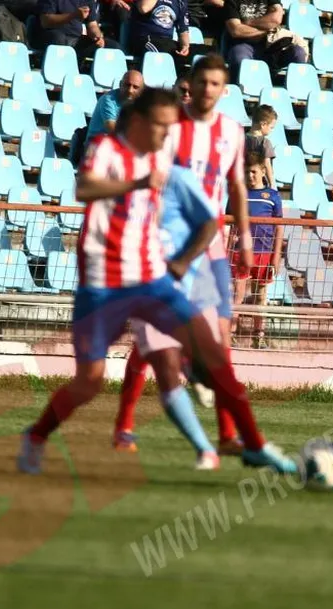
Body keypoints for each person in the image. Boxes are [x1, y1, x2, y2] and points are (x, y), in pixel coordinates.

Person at [16, 87, 299, 477]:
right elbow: (85, 188)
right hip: (103, 283)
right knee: (90, 382)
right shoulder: (109, 151)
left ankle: (253, 444)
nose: (169, 135)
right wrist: (137, 184)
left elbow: (208, 221)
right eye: (162, 126)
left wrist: (182, 260)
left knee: (214, 355)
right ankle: (36, 436)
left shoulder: (168, 166)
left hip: (152, 280)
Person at [161, 53, 252, 454]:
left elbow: (237, 185)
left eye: (216, 84)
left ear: (223, 89)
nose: (208, 89)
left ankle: (227, 434)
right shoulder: (170, 126)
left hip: (212, 238)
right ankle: (189, 367)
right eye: (202, 82)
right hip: (174, 238)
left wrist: (245, 236)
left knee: (223, 333)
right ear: (192, 83)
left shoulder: (232, 130)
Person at [114, 157, 227, 470]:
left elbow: (208, 226)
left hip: (190, 273)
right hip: (154, 276)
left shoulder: (189, 182)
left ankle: (193, 371)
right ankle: (126, 426)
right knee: (147, 352)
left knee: (155, 350)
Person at [231, 152, 282, 348]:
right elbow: (231, 225)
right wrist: (229, 247)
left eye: (253, 171)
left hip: (264, 253)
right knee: (238, 295)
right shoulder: (239, 193)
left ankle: (258, 336)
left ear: (262, 171)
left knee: (260, 296)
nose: (250, 176)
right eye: (246, 172)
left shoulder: (273, 196)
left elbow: (279, 227)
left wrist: (276, 256)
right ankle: (231, 333)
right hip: (241, 253)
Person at [223, 0, 306, 72]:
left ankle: (296, 85)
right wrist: (266, 28)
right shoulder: (232, 1)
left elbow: (276, 19)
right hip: (245, 44)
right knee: (238, 56)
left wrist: (248, 22)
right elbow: (236, 30)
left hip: (272, 44)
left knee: (298, 53)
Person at [34, 0, 122, 62]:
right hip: (50, 36)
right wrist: (73, 15)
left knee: (113, 46)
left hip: (76, 40)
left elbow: (92, 25)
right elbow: (45, 21)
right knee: (58, 38)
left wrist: (98, 37)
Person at [127, 0, 196, 73]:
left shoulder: (180, 2)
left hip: (166, 43)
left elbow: (183, 31)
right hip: (145, 39)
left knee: (199, 54)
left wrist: (185, 46)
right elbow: (144, 8)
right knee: (163, 53)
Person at [87, 69, 144, 141]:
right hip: (98, 145)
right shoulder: (108, 100)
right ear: (120, 84)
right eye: (127, 85)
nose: (130, 90)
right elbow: (113, 130)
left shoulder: (143, 104)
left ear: (142, 90)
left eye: (135, 87)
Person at [244, 104, 277, 188]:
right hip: (258, 185)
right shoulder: (265, 143)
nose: (271, 130)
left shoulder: (240, 139)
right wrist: (272, 183)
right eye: (271, 127)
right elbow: (267, 164)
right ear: (263, 124)